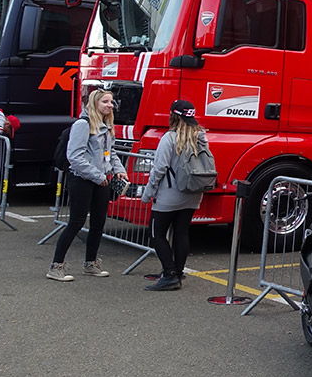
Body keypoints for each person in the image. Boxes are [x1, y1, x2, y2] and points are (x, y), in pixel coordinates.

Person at [47, 90, 128, 282]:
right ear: (95, 103)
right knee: (76, 222)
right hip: (82, 179)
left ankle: (90, 263)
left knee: (98, 223)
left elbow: (111, 152)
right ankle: (56, 266)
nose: (110, 105)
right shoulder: (83, 125)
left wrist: (119, 169)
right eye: (105, 101)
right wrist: (97, 175)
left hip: (102, 180)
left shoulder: (107, 126)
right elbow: (75, 157)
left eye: (111, 102)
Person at [140, 100, 208, 291]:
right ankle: (177, 272)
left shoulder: (169, 138)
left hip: (170, 194)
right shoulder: (201, 136)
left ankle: (169, 274)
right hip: (193, 193)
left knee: (156, 233)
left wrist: (147, 194)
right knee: (181, 232)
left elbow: (159, 168)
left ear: (173, 115)